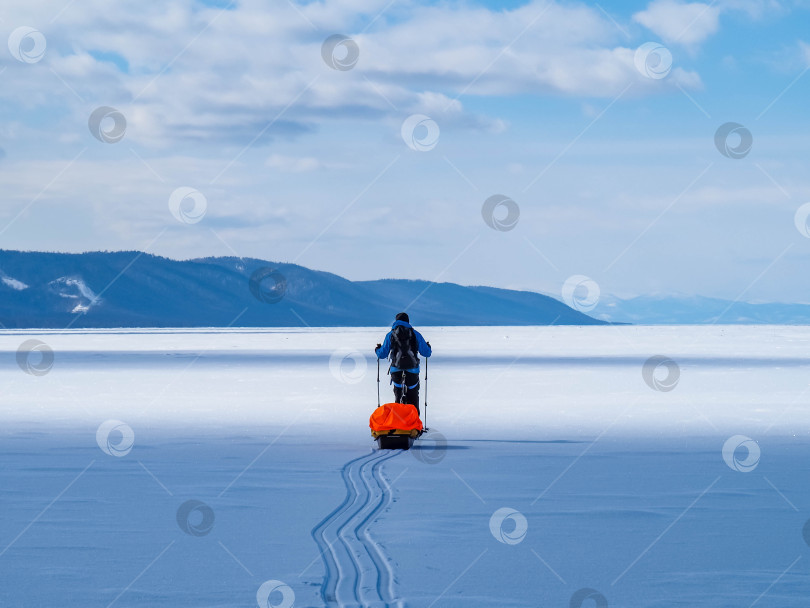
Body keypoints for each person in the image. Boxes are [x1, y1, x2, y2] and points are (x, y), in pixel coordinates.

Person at [375, 312, 431, 413]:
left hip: (396, 370)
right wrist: (429, 347)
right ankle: (414, 424)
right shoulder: (415, 334)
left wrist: (377, 350)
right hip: (413, 371)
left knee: (398, 395)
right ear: (407, 322)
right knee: (413, 396)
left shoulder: (391, 334)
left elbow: (382, 354)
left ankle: (398, 423)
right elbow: (426, 353)